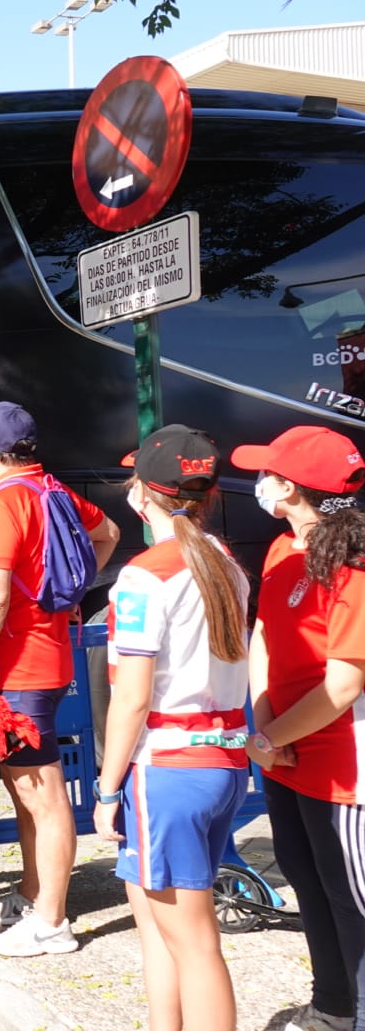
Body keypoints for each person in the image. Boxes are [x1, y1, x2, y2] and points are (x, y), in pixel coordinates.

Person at [92, 425, 249, 1031]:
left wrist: (106, 791)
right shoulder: (226, 563)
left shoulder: (144, 576)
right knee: (158, 924)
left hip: (168, 769)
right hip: (219, 762)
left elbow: (130, 696)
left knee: (193, 941)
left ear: (141, 496)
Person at [0, 400, 119, 957]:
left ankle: (51, 924)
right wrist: (66, 590)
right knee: (28, 791)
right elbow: (110, 533)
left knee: (43, 796)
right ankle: (35, 897)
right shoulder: (53, 491)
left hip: (17, 668)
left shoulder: (4, 506)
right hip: (46, 657)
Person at [231, 425, 365, 1031]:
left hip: (343, 766)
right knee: (307, 879)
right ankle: (333, 1005)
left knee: (352, 898)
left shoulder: (356, 565)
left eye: (267, 473)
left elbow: (343, 684)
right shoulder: (284, 548)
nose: (258, 481)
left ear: (289, 487)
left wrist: (273, 737)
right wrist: (264, 729)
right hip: (285, 753)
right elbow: (264, 635)